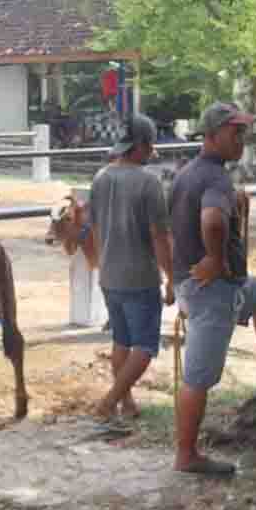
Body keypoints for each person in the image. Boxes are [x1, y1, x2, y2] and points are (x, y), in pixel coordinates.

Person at [169, 103, 256, 477]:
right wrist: (215, 259)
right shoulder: (216, 178)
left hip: (205, 285)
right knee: (198, 378)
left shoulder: (187, 173)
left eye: (243, 132)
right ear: (211, 135)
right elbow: (212, 220)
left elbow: (178, 227)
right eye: (234, 132)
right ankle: (186, 455)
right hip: (212, 290)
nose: (241, 139)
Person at [87, 113, 174, 424]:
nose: (151, 151)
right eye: (149, 145)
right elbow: (160, 236)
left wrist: (103, 263)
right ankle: (109, 401)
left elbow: (94, 229)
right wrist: (171, 277)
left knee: (121, 341)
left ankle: (127, 403)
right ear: (139, 146)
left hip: (109, 275)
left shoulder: (100, 178)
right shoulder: (149, 183)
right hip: (140, 277)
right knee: (145, 345)